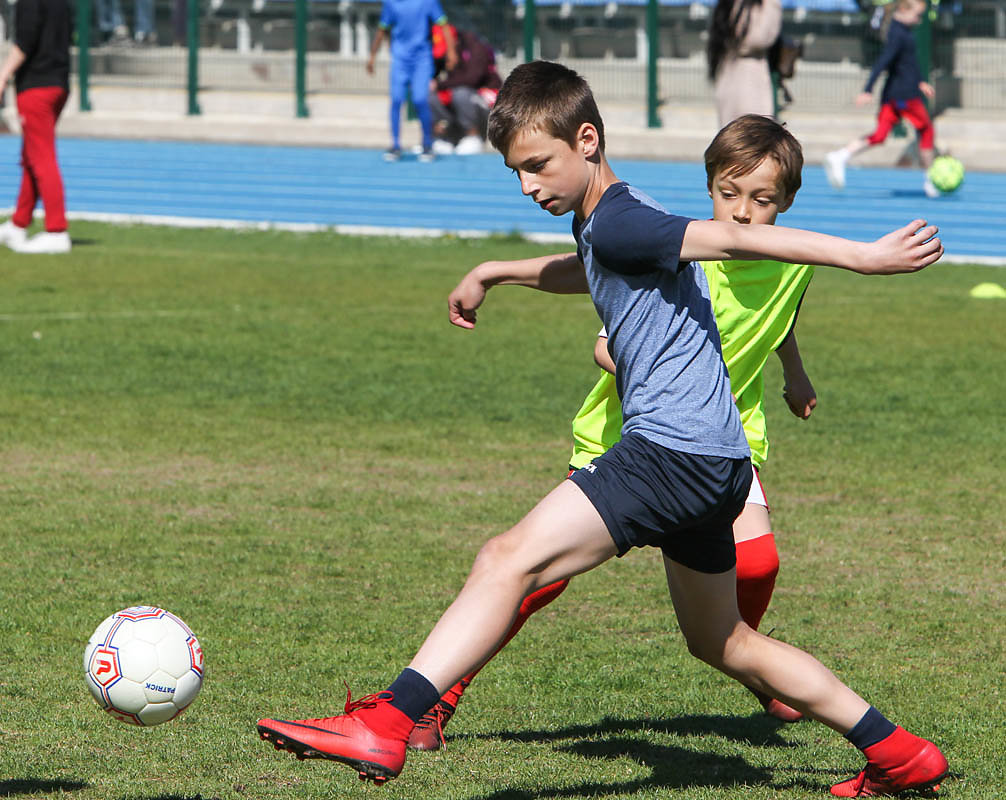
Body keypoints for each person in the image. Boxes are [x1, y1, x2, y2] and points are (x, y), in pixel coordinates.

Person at [256, 61, 948, 798]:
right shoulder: (611, 221)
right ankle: (899, 753)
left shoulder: (622, 217)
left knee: (506, 559)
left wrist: (863, 257)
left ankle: (389, 720)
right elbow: (588, 267)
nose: (528, 185)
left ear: (586, 140)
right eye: (515, 172)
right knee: (725, 642)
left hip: (671, 452)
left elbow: (739, 243)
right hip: (719, 462)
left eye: (537, 165)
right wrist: (498, 271)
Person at [407, 113, 818, 752]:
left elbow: (782, 316)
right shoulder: (688, 250)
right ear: (709, 188)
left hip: (722, 440)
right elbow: (605, 326)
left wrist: (795, 374)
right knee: (536, 575)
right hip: (629, 436)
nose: (741, 214)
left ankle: (755, 667)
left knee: (758, 563)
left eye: (761, 200)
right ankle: (438, 698)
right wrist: (657, 370)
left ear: (786, 203)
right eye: (728, 195)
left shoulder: (792, 262)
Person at [824, 0, 939, 198]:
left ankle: (840, 156)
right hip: (905, 95)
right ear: (903, 11)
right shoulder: (898, 34)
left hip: (894, 94)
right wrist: (868, 89)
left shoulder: (901, 30)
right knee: (926, 130)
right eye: (917, 15)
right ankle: (931, 180)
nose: (919, 20)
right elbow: (883, 62)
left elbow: (907, 63)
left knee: (880, 135)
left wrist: (920, 81)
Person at [0, 0, 72, 254]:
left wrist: (3, 74)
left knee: (41, 158)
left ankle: (56, 231)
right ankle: (19, 223)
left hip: (37, 85)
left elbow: (25, 42)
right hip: (59, 82)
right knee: (31, 155)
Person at [366, 0, 457, 163]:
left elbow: (444, 25)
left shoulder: (428, 2)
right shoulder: (391, 3)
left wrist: (451, 52)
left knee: (420, 100)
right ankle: (395, 145)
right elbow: (382, 29)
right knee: (396, 100)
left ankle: (427, 144)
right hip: (400, 60)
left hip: (421, 60)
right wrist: (372, 56)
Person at [428, 25, 501, 156]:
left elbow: (472, 79)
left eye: (446, 52)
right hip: (463, 100)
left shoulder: (476, 47)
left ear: (454, 41)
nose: (445, 57)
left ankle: (472, 136)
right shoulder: (447, 54)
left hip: (485, 103)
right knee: (430, 95)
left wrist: (440, 84)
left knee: (460, 93)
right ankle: (446, 137)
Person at [707, 0, 782, 127]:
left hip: (731, 73)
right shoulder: (751, 4)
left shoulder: (730, 5)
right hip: (748, 79)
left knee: (734, 136)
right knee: (752, 135)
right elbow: (759, 38)